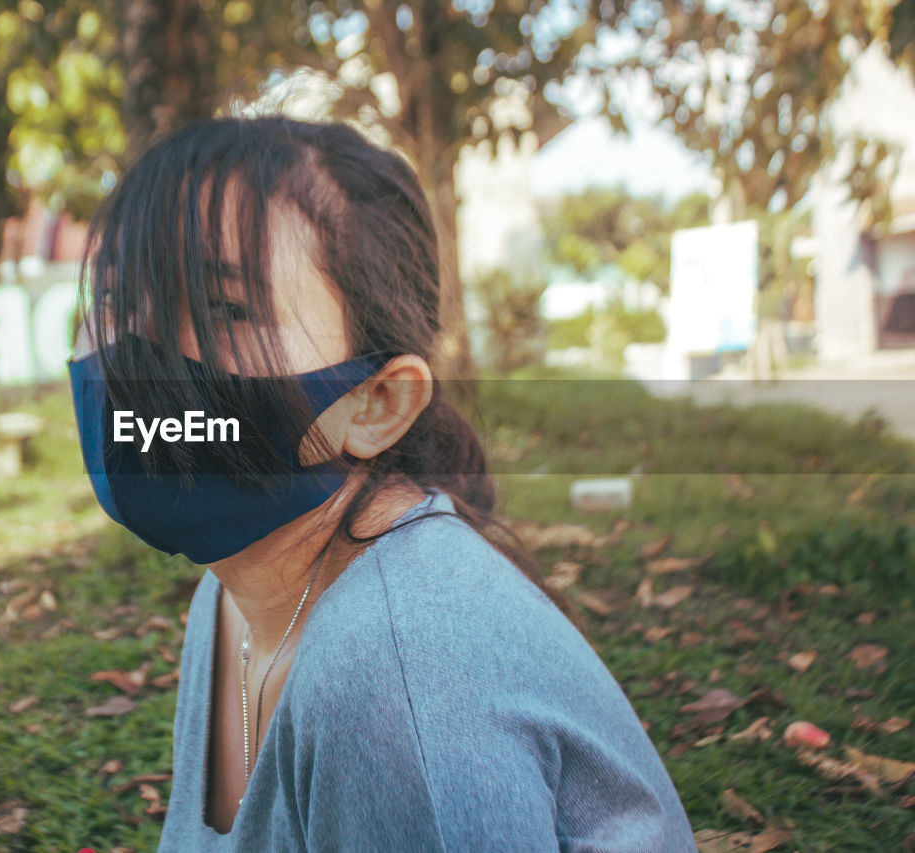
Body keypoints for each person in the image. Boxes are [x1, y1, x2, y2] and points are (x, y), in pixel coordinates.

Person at [67, 116, 696, 851]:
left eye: (224, 309)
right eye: (114, 299)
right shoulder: (233, 595)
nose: (137, 358)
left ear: (376, 404)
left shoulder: (387, 673)